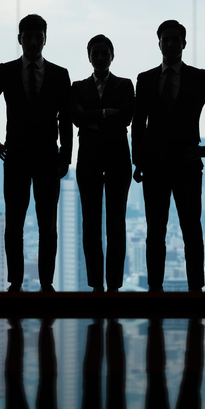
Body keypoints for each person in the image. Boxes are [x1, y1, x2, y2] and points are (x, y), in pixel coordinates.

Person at [131, 20, 205, 292]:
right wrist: (138, 160)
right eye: (165, 40)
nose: (169, 44)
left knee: (192, 231)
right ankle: (155, 289)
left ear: (184, 44)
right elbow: (137, 123)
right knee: (155, 232)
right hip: (154, 165)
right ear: (159, 44)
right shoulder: (145, 79)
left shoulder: (200, 78)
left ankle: (196, 290)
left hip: (188, 164)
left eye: (174, 40)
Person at [0, 14, 74, 292]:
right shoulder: (5, 70)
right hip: (16, 156)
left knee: (48, 226)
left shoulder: (59, 74)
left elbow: (66, 119)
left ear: (45, 38)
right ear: (19, 39)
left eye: (38, 36)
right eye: (28, 36)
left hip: (47, 158)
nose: (33, 41)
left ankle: (46, 284)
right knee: (14, 224)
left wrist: (65, 156)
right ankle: (16, 282)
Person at [72, 35, 135, 292]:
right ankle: (96, 285)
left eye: (104, 53)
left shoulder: (125, 85)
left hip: (118, 159)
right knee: (91, 225)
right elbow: (76, 117)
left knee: (116, 224)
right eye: (95, 53)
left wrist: (93, 118)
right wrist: (109, 113)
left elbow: (128, 117)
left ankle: (114, 286)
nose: (99, 57)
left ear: (112, 55)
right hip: (88, 161)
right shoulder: (77, 87)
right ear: (89, 56)